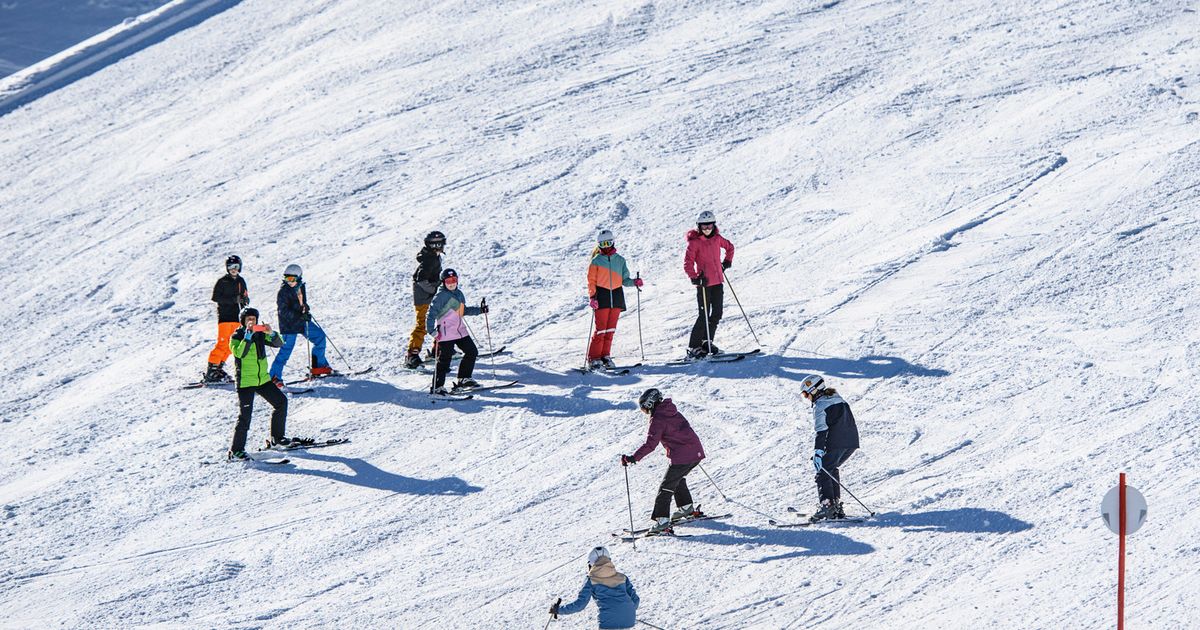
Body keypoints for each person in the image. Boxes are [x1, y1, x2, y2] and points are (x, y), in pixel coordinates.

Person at [620, 388, 707, 535]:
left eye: (644, 408)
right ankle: (686, 508)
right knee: (677, 480)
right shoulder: (672, 411)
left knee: (665, 489)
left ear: (650, 404)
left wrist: (633, 458)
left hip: (683, 456)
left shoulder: (658, 418)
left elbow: (650, 445)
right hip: (695, 452)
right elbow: (684, 429)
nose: (645, 412)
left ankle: (662, 523)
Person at [228, 307, 294, 460]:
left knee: (281, 402)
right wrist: (248, 336)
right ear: (243, 321)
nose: (251, 321)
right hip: (245, 382)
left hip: (262, 380)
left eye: (254, 319)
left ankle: (277, 439)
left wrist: (271, 333)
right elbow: (240, 353)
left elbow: (279, 343)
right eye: (248, 319)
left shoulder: (260, 334)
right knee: (245, 417)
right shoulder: (236, 336)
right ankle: (236, 451)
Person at [800, 374, 860, 521]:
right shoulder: (839, 399)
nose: (806, 398)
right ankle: (835, 506)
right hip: (851, 442)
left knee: (823, 471)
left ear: (814, 390)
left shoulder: (820, 406)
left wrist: (818, 451)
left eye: (806, 394)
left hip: (837, 442)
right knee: (830, 468)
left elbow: (821, 431)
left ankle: (827, 506)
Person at [586, 229, 643, 371]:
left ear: (613, 242)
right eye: (603, 244)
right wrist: (592, 297)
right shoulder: (596, 261)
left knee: (610, 330)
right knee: (600, 330)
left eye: (608, 243)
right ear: (599, 245)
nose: (606, 247)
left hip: (616, 297)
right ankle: (594, 358)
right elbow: (591, 281)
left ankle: (605, 356)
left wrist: (634, 282)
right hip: (602, 296)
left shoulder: (620, 260)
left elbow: (625, 280)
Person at [425, 268, 488, 394]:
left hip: (460, 331)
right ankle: (437, 387)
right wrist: (431, 330)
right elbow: (431, 314)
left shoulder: (459, 294)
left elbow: (462, 311)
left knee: (472, 351)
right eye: (448, 281)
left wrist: (480, 310)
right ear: (443, 282)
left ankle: (464, 379)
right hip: (446, 333)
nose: (451, 283)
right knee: (445, 360)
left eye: (454, 280)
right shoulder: (440, 296)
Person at [269, 264, 333, 385]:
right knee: (285, 351)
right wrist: (299, 315)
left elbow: (302, 304)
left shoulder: (301, 287)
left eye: (292, 278)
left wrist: (305, 309)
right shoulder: (283, 292)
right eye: (287, 278)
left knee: (320, 337)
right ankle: (274, 377)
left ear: (298, 278)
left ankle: (319, 366)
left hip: (301, 322)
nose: (289, 281)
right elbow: (283, 311)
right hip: (289, 325)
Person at [682, 210, 734, 359]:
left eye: (709, 226)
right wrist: (695, 278)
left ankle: (706, 342)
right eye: (704, 226)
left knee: (717, 313)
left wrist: (727, 261)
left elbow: (730, 247)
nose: (707, 229)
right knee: (703, 315)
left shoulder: (717, 239)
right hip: (704, 284)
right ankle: (694, 347)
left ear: (714, 225)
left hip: (718, 282)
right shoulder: (695, 242)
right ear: (699, 226)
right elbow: (688, 263)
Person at [550, 546, 640, 629]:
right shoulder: (622, 577)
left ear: (591, 564)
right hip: (629, 618)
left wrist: (558, 610)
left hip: (609, 621)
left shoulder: (591, 580)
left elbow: (580, 605)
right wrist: (624, 610)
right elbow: (635, 600)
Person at [204, 255, 249, 383]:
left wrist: (245, 300)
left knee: (231, 345)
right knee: (222, 343)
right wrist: (233, 299)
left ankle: (218, 368)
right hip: (225, 317)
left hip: (237, 318)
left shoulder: (241, 281)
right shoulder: (222, 281)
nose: (233, 269)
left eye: (236, 266)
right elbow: (216, 297)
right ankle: (211, 370)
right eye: (230, 267)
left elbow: (245, 296)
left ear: (240, 267)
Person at [406, 230, 446, 369]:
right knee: (422, 325)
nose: (440, 246)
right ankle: (412, 355)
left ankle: (439, 349)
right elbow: (421, 280)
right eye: (437, 244)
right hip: (423, 297)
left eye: (441, 243)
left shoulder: (433, 257)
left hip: (430, 295)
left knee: (443, 320)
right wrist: (434, 291)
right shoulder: (429, 259)